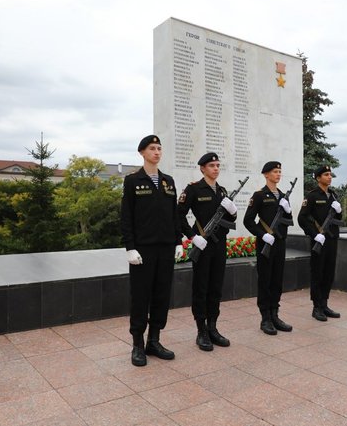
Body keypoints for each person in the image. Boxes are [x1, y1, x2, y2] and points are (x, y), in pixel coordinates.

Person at [121, 134, 184, 367]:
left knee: (161, 295)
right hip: (143, 251)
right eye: (152, 148)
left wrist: (178, 241)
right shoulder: (132, 180)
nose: (157, 152)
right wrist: (130, 247)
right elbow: (126, 217)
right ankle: (137, 344)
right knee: (140, 297)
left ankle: (154, 341)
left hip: (166, 248)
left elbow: (174, 216)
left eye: (159, 148)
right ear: (142, 153)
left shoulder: (168, 181)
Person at [177, 152, 237, 351]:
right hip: (201, 245)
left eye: (218, 165)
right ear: (202, 168)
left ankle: (213, 327)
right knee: (201, 288)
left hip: (219, 245)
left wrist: (233, 211)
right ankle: (201, 330)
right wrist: (193, 237)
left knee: (216, 287)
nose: (216, 169)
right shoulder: (193, 189)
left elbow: (231, 222)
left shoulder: (222, 191)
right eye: (212, 165)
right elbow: (178, 216)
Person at [243, 161, 293, 335]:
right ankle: (265, 318)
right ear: (266, 174)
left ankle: (275, 314)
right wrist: (262, 234)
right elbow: (247, 220)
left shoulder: (283, 196)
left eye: (280, 171)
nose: (278, 174)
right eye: (275, 171)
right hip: (265, 243)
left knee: (277, 280)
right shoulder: (259, 195)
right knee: (265, 280)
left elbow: (289, 221)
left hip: (279, 243)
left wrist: (287, 210)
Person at [297, 165, 343, 321]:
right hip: (319, 240)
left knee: (329, 273)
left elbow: (339, 219)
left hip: (332, 239)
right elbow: (301, 218)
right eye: (326, 174)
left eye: (330, 174)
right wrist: (314, 234)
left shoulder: (333, 196)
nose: (329, 177)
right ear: (318, 178)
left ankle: (324, 304)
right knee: (317, 273)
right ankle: (316, 307)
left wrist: (339, 210)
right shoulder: (312, 196)